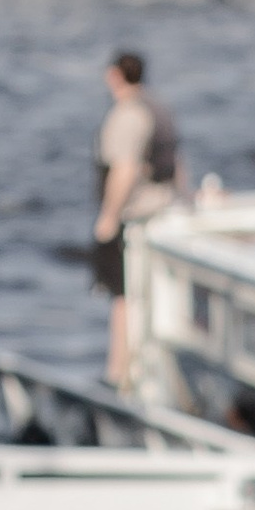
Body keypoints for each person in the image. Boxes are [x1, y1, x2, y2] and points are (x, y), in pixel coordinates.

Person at [91, 46, 182, 384]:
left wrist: (109, 217)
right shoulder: (160, 108)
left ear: (115, 75)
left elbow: (124, 169)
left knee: (122, 296)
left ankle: (120, 372)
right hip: (164, 210)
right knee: (151, 292)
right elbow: (176, 162)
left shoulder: (127, 114)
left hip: (136, 216)